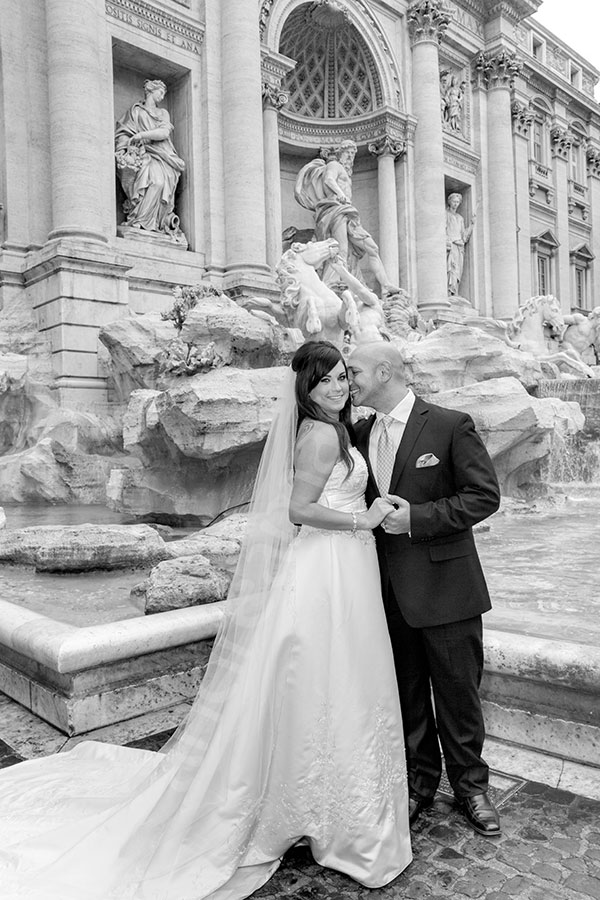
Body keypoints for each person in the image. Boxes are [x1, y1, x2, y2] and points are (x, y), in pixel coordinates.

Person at [0, 341, 411, 899]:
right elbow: (298, 508)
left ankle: (316, 793)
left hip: (340, 564)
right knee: (326, 672)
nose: (339, 386)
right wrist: (361, 520)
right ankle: (319, 803)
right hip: (330, 562)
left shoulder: (336, 428)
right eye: (327, 381)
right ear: (306, 390)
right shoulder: (318, 435)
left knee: (329, 675)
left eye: (343, 376)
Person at [348, 341, 502, 838]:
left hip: (448, 589)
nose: (347, 379)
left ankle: (471, 788)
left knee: (458, 696)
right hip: (387, 593)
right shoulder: (358, 431)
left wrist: (417, 519)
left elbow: (483, 496)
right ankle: (419, 783)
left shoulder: (450, 425)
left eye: (354, 371)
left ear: (385, 371)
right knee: (408, 695)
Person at [294, 139, 400, 295]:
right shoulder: (334, 165)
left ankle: (385, 285)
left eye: (353, 154)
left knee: (373, 248)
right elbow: (329, 179)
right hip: (336, 209)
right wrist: (341, 194)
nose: (350, 157)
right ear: (340, 153)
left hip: (348, 212)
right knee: (340, 249)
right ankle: (331, 284)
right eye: (348, 153)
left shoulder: (346, 172)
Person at [115, 79, 186, 242]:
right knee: (151, 181)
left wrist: (141, 135)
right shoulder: (135, 112)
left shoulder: (163, 113)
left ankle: (155, 223)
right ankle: (139, 220)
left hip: (162, 155)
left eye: (164, 94)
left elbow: (164, 133)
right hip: (142, 154)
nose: (162, 96)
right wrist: (125, 148)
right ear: (151, 91)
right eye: (160, 92)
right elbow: (123, 133)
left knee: (159, 183)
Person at [446, 192, 474, 296]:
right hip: (451, 245)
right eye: (454, 201)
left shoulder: (460, 218)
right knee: (451, 268)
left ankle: (455, 291)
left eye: (458, 202)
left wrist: (471, 224)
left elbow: (464, 236)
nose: (456, 204)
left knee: (457, 270)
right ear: (449, 202)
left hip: (459, 247)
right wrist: (448, 241)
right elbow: (442, 230)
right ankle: (449, 291)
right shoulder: (445, 214)